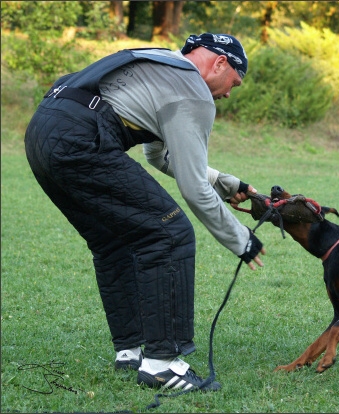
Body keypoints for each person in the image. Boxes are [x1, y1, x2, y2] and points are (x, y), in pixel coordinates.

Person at [24, 33, 266, 392]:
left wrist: (228, 183)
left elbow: (159, 156)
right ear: (220, 63)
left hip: (44, 130)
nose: (229, 93)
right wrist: (242, 239)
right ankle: (164, 365)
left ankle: (130, 351)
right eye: (234, 82)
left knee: (113, 240)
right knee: (169, 233)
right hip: (83, 136)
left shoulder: (160, 64)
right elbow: (194, 190)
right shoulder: (192, 90)